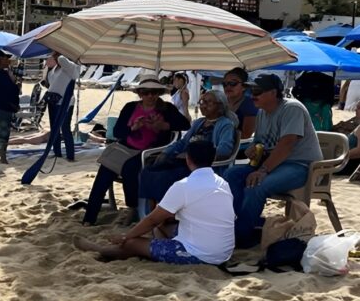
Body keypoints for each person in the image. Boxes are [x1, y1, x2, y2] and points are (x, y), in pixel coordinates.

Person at [74, 141, 235, 266]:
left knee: (132, 243)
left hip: (202, 255)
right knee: (163, 227)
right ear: (213, 159)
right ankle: (156, 249)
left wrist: (126, 236)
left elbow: (152, 219)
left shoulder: (184, 185)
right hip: (224, 252)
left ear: (188, 159)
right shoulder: (222, 183)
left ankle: (101, 250)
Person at [223, 74, 323, 248]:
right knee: (231, 175)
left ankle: (242, 237)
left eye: (258, 91)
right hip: (274, 163)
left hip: (300, 165)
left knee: (257, 185)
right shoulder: (262, 112)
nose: (252, 95)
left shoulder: (292, 108)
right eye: (251, 91)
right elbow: (260, 141)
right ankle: (239, 225)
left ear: (273, 93)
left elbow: (287, 143)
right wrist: (252, 149)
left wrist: (263, 170)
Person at [82, 74, 190, 225]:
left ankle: (132, 208)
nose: (150, 96)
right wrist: (133, 127)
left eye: (154, 92)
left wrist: (163, 125)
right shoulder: (130, 107)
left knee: (129, 167)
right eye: (146, 92)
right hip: (127, 147)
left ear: (159, 93)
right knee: (105, 171)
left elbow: (186, 124)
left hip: (152, 151)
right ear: (140, 94)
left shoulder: (167, 109)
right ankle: (90, 217)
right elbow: (118, 132)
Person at [137, 89, 237, 218]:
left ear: (220, 106)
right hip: (185, 160)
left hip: (201, 166)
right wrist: (166, 152)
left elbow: (224, 150)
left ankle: (166, 214)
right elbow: (183, 142)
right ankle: (150, 212)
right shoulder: (199, 122)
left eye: (208, 102)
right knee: (148, 170)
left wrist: (196, 155)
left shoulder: (225, 124)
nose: (203, 105)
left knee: (166, 176)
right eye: (202, 101)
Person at [43, 52, 80, 161]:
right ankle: (57, 152)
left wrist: (58, 53)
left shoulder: (71, 68)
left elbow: (63, 60)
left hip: (66, 103)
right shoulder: (54, 69)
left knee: (65, 129)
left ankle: (70, 155)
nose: (48, 59)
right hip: (53, 102)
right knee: (54, 128)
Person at [222, 67, 257, 139]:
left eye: (233, 83)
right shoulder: (221, 102)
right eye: (225, 84)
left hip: (239, 147)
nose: (228, 86)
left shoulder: (249, 104)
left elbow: (246, 135)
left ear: (244, 86)